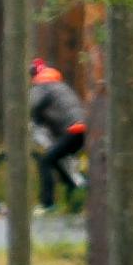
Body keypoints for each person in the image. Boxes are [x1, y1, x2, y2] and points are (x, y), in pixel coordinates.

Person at [28, 57, 88, 213]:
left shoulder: (42, 87)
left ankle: (47, 204)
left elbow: (33, 108)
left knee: (46, 161)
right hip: (81, 129)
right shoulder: (58, 85)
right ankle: (74, 195)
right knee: (57, 158)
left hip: (73, 131)